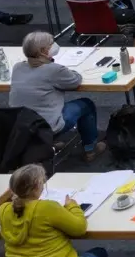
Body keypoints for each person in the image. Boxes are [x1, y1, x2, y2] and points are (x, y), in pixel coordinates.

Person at [0, 163, 108, 257]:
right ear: (36, 186)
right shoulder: (47, 207)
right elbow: (80, 228)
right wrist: (72, 205)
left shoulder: (3, 210)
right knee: (100, 254)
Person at [8, 31, 105, 162]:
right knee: (86, 105)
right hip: (47, 126)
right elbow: (75, 80)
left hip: (22, 127)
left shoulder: (17, 67)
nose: (54, 45)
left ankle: (45, 144)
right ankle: (90, 149)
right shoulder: (54, 70)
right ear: (43, 51)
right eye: (51, 44)